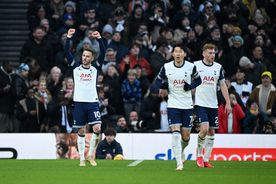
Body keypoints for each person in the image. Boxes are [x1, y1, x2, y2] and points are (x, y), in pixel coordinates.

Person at [154, 45, 202, 170]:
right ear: (173, 54)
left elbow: (199, 80)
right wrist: (163, 86)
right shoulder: (166, 67)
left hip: (187, 105)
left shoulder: (191, 66)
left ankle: (181, 151)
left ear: (184, 54)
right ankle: (179, 163)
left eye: (181, 51)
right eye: (176, 52)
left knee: (186, 137)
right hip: (173, 104)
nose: (178, 54)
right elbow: (157, 81)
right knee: (175, 133)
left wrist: (190, 86)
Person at [65, 28, 105, 167]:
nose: (85, 58)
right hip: (79, 103)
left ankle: (90, 155)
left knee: (97, 128)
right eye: (83, 56)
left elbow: (103, 52)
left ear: (92, 58)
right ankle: (82, 158)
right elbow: (67, 52)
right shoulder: (75, 68)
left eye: (88, 56)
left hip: (92, 103)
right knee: (81, 131)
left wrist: (99, 38)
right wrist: (69, 38)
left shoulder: (95, 68)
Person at [194, 43, 231, 168]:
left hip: (213, 104)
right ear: (203, 53)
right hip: (200, 103)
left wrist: (228, 102)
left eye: (214, 53)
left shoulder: (218, 67)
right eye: (209, 53)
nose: (212, 55)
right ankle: (198, 155)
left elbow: (222, 85)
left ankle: (206, 159)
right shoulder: (196, 65)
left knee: (211, 132)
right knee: (204, 129)